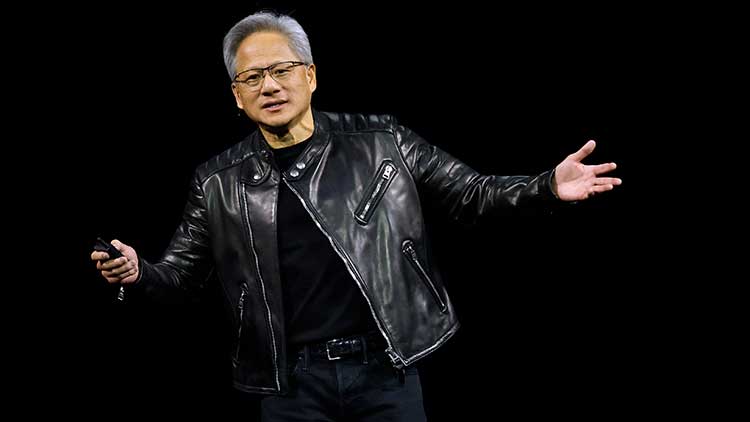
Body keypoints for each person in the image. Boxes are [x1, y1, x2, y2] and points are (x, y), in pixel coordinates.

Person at [91, 10, 621, 422]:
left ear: (311, 76)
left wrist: (545, 186)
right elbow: (180, 276)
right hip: (291, 386)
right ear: (236, 95)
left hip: (386, 371)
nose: (269, 86)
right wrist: (139, 272)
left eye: (281, 70)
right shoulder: (217, 181)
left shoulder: (382, 140)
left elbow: (473, 193)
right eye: (252, 77)